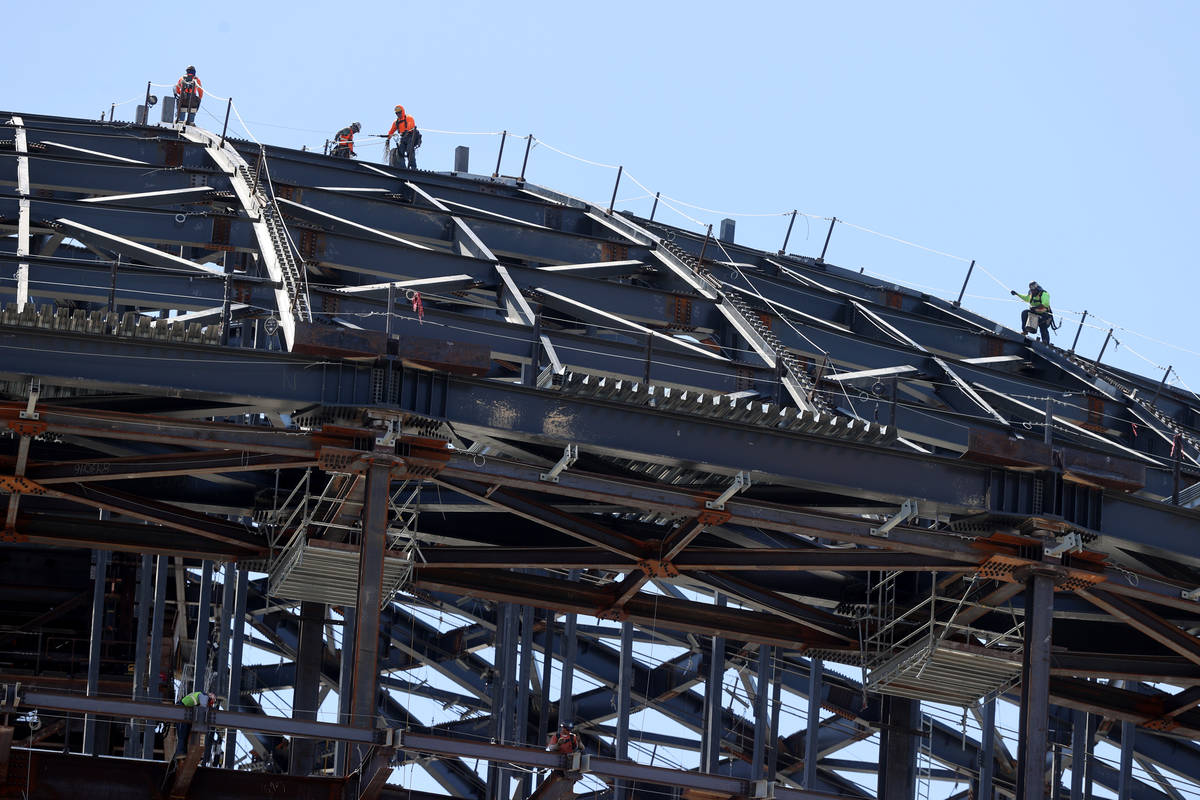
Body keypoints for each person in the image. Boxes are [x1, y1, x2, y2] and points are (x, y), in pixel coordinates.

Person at [1011, 281, 1054, 345]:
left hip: (1045, 314)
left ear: (1037, 289)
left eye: (1034, 290)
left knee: (1043, 326)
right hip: (1035, 312)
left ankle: (1045, 342)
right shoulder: (1031, 294)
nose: (1033, 292)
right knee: (1025, 313)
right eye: (1032, 290)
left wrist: (1035, 308)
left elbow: (1045, 304)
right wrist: (1017, 294)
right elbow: (1026, 299)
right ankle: (1025, 331)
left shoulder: (1044, 294)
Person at [387, 105, 420, 169]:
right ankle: (402, 167)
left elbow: (411, 125)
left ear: (402, 111)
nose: (398, 114)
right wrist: (388, 139)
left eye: (399, 112)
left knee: (409, 151)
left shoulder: (409, 118)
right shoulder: (396, 122)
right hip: (403, 138)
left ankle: (413, 167)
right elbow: (391, 131)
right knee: (399, 152)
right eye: (397, 113)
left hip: (410, 137)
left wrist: (406, 131)